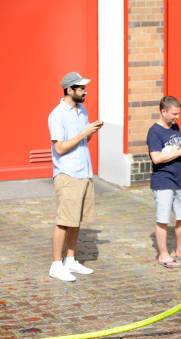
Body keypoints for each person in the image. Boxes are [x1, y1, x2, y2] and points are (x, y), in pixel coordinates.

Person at [48, 72, 104, 282]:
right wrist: (84, 133)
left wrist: (92, 131)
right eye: (81, 89)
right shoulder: (57, 115)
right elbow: (60, 148)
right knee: (64, 220)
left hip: (84, 172)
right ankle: (56, 264)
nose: (85, 92)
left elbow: (82, 142)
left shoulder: (82, 110)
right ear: (69, 90)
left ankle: (70, 259)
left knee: (76, 220)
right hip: (67, 174)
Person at [147, 96, 181, 269]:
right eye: (174, 114)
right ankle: (163, 255)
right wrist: (179, 153)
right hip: (163, 181)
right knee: (163, 219)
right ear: (163, 111)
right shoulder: (154, 132)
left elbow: (175, 148)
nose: (177, 117)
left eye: (178, 114)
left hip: (178, 179)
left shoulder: (175, 126)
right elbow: (156, 158)